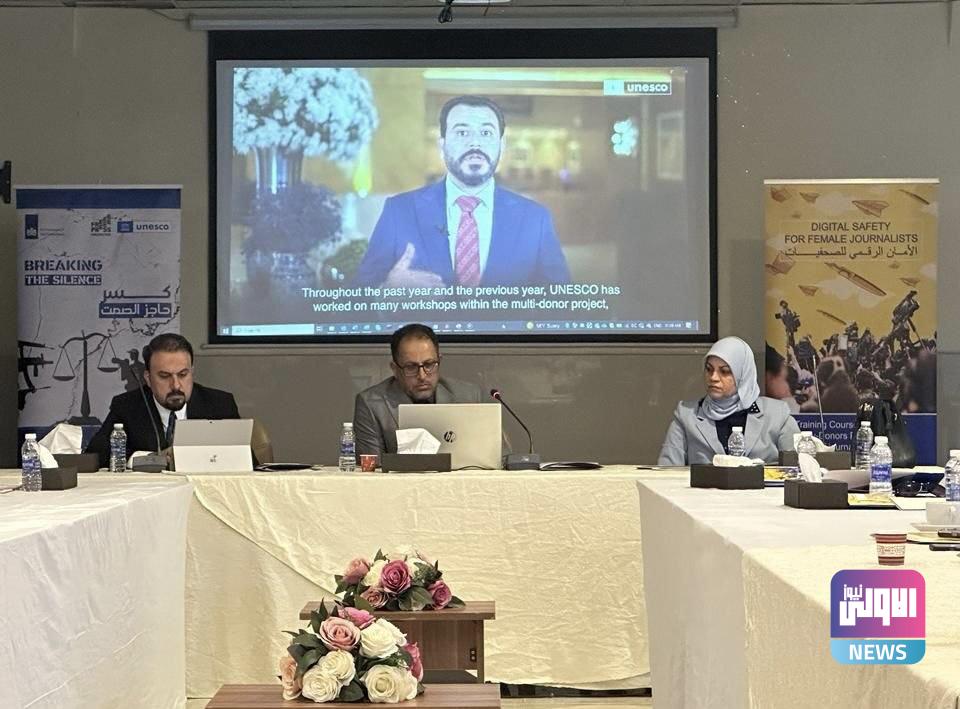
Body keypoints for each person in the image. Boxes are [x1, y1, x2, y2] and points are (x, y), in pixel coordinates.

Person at [353, 95, 571, 288]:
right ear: (442, 145)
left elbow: (561, 301)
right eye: (462, 132)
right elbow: (357, 295)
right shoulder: (399, 211)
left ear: (501, 145)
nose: (475, 142)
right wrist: (386, 293)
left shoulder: (535, 218)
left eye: (486, 132)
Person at [86, 333, 241, 467]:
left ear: (192, 372)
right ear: (148, 378)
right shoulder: (127, 406)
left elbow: (245, 460)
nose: (176, 385)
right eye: (165, 376)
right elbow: (95, 456)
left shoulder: (220, 404)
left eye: (183, 374)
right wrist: (150, 458)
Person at [658, 336, 800, 465]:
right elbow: (666, 472)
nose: (713, 377)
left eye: (724, 371)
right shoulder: (686, 415)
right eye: (709, 369)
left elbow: (799, 469)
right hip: (704, 487)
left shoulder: (777, 414)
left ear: (742, 375)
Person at [353, 323, 487, 457]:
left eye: (429, 365)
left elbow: (490, 457)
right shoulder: (371, 405)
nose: (422, 376)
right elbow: (371, 465)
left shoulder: (468, 396)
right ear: (395, 369)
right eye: (411, 367)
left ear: (439, 361)